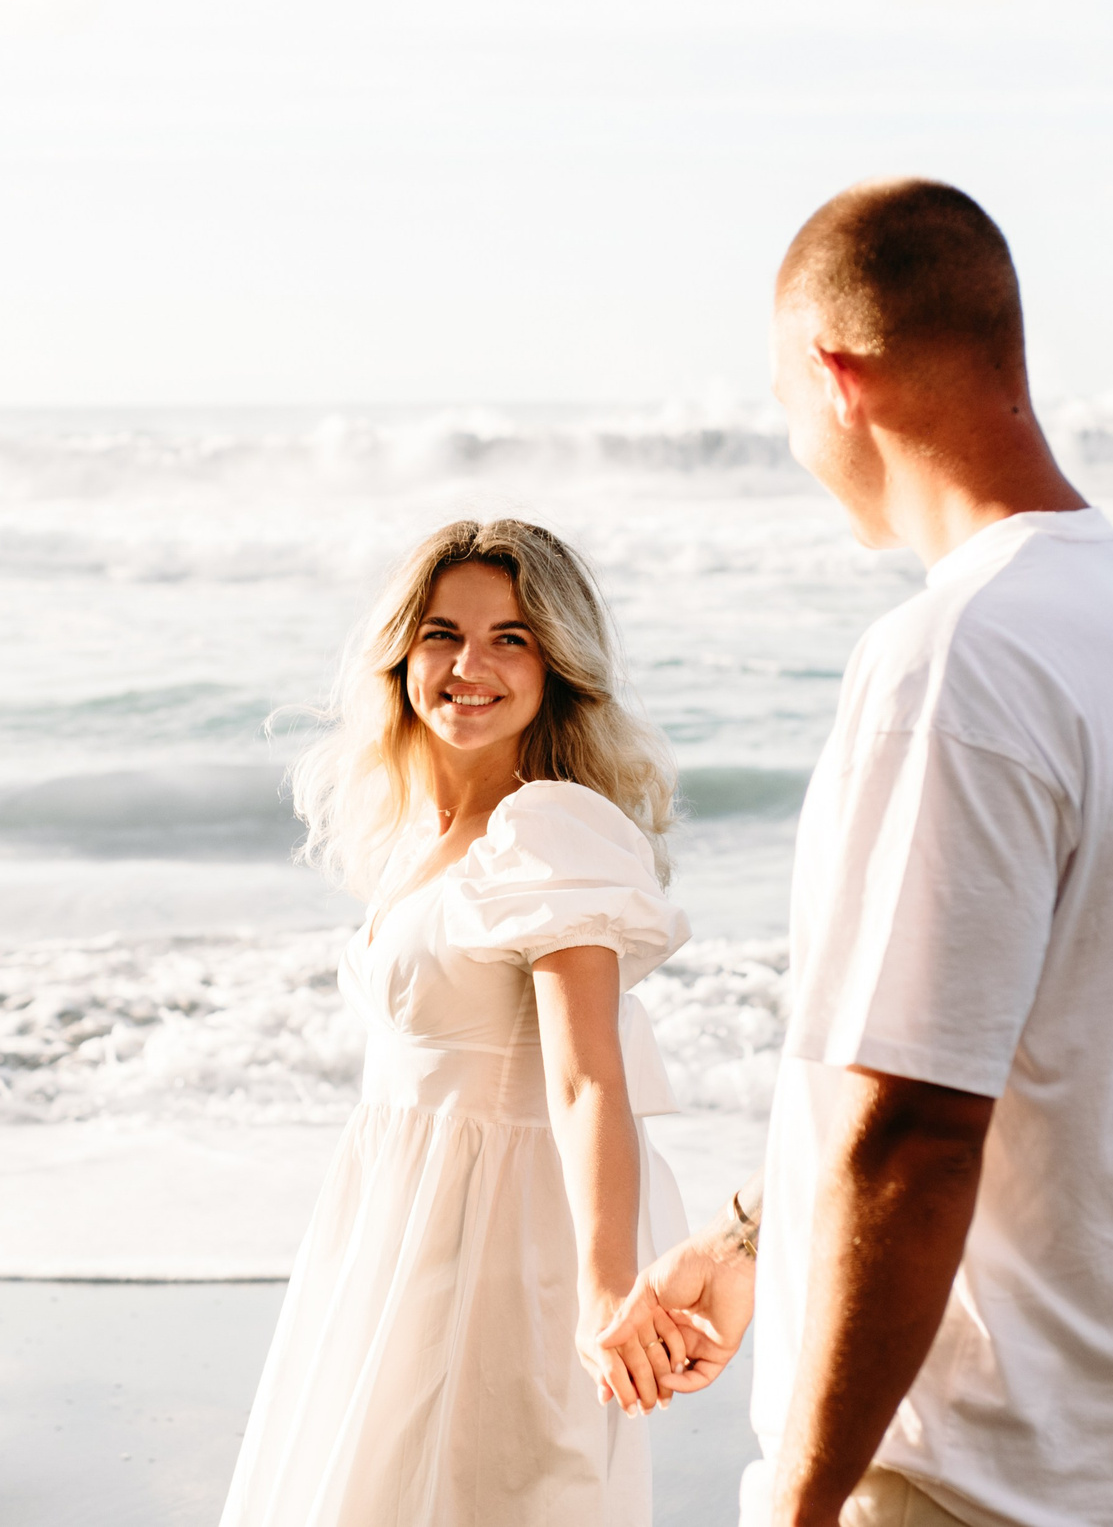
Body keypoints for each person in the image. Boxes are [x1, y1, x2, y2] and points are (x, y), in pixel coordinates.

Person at [603, 179, 1113, 1527]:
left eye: (781, 403)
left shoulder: (955, 659)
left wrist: (804, 1498)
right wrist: (753, 1236)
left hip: (961, 1469)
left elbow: (917, 1133)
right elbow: (992, 1041)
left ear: (837, 377)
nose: (793, 441)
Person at [219, 518, 697, 1527]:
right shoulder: (420, 839)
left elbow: (587, 1078)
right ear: (400, 655)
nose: (468, 665)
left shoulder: (548, 827)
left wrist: (610, 1282)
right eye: (441, 633)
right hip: (396, 1222)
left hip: (499, 1238)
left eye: (510, 637)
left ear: (555, 663)